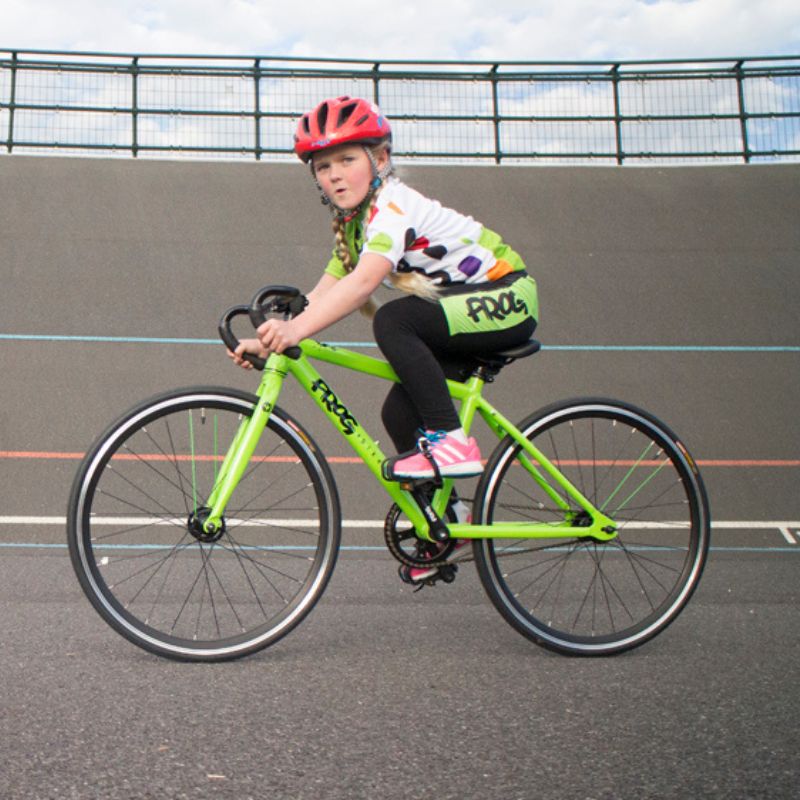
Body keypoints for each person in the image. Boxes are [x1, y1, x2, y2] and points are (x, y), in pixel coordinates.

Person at [229, 95, 538, 486]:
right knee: (399, 413)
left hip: (508, 296)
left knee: (395, 320)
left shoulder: (393, 208)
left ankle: (452, 443)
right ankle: (449, 513)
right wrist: (271, 340)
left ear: (380, 159)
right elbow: (322, 296)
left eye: (347, 160)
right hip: (460, 309)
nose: (335, 175)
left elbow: (362, 284)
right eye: (323, 166)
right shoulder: (355, 225)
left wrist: (294, 330)